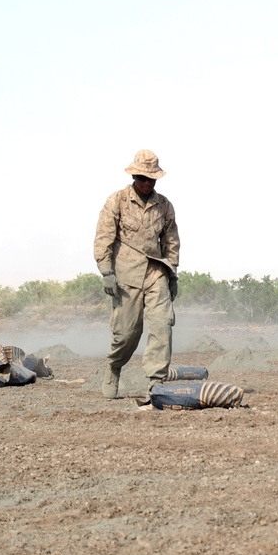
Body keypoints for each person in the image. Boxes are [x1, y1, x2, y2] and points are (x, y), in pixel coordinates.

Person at [94, 149, 181, 399]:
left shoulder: (164, 206)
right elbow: (103, 238)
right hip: (125, 276)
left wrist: (172, 274)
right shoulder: (117, 201)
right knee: (127, 334)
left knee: (162, 325)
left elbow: (171, 242)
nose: (146, 183)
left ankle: (157, 381)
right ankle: (114, 367)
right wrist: (106, 272)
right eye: (142, 178)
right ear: (134, 177)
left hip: (156, 273)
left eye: (151, 179)